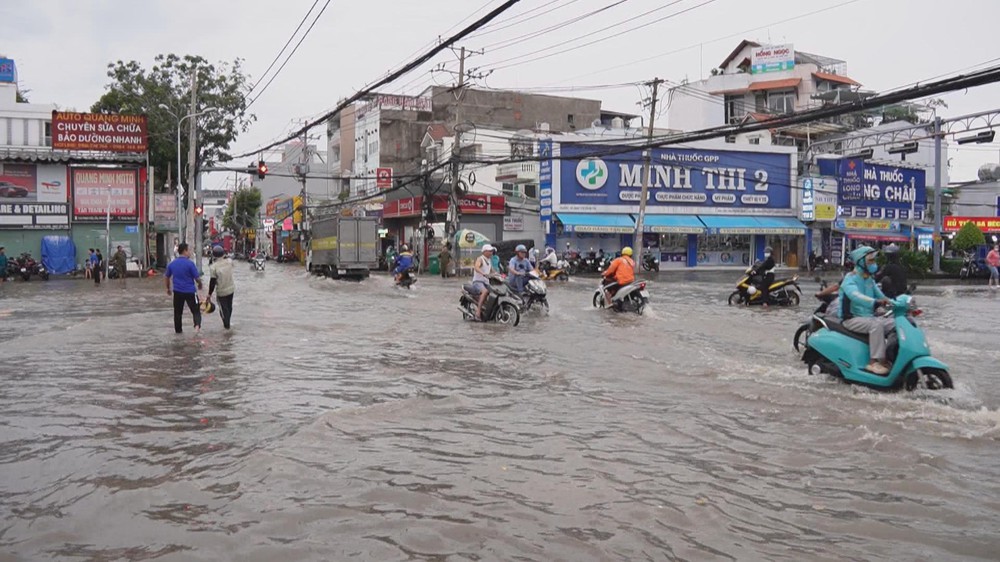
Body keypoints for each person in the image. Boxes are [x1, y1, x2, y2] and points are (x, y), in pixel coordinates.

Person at [840, 246, 894, 375]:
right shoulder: (850, 279)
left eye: (874, 261)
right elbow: (855, 296)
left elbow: (881, 296)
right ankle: (874, 362)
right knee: (876, 325)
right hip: (852, 318)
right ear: (861, 262)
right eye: (870, 261)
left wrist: (897, 303)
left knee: (895, 322)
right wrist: (874, 302)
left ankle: (892, 356)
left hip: (868, 317)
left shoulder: (869, 279)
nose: (873, 264)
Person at [164, 243, 203, 334]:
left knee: (177, 313)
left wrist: (168, 288)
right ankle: (196, 328)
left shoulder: (172, 264)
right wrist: (200, 284)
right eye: (189, 250)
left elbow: (166, 277)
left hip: (177, 292)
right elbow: (197, 278)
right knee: (196, 310)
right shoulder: (190, 264)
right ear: (185, 251)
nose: (190, 252)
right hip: (190, 292)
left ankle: (178, 333)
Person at [207, 246, 235, 330]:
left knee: (223, 310)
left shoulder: (213, 267)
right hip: (231, 289)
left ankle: (227, 328)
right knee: (229, 307)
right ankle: (228, 325)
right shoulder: (230, 262)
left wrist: (209, 294)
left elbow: (212, 282)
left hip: (221, 292)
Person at [472, 245, 495, 320]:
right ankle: (478, 311)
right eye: (489, 251)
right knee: (485, 291)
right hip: (478, 282)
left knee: (494, 292)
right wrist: (483, 273)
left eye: (492, 251)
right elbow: (476, 267)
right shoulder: (480, 259)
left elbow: (492, 271)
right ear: (484, 252)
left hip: (486, 282)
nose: (491, 253)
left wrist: (500, 275)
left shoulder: (489, 260)